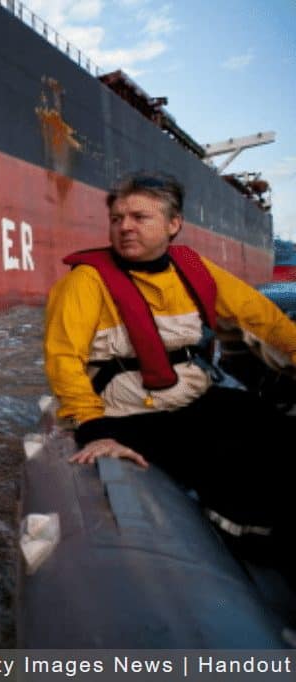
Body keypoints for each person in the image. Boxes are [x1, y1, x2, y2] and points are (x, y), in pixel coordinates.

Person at [44, 171, 296, 535]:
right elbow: (63, 358)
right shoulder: (85, 282)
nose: (125, 227)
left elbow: (266, 320)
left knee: (272, 426)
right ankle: (248, 530)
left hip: (192, 401)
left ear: (173, 224)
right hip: (129, 415)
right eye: (117, 219)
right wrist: (94, 429)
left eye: (139, 217)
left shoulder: (193, 269)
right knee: (225, 455)